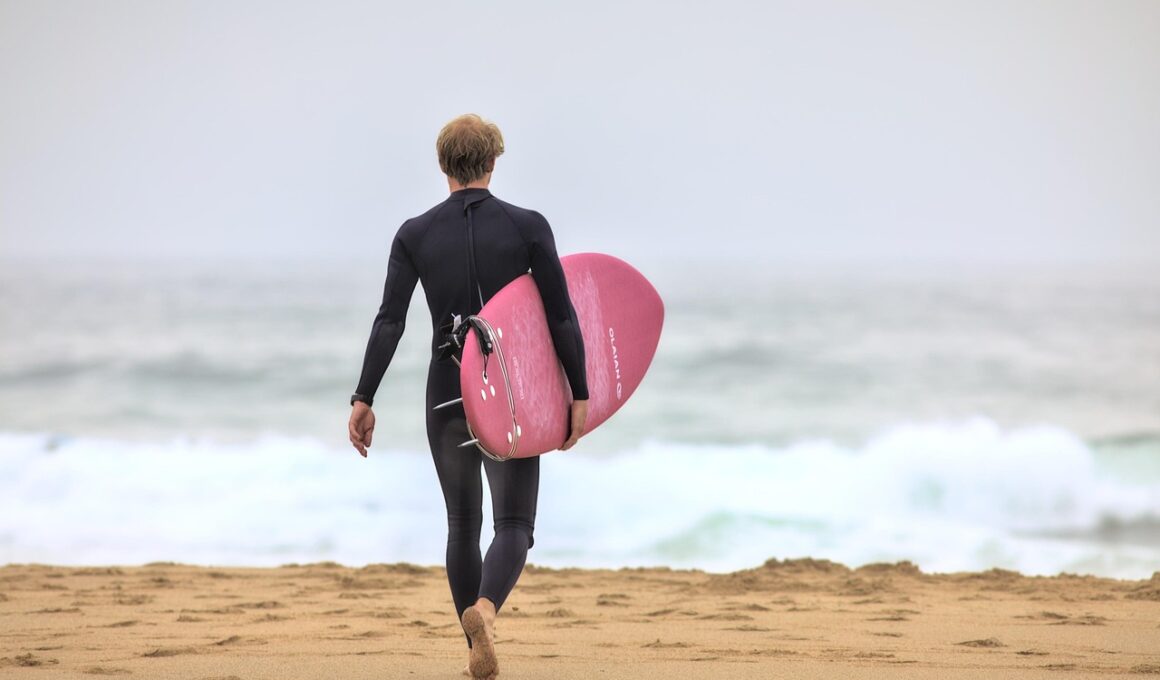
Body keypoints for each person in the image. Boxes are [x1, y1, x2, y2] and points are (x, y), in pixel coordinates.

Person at [347, 113, 589, 680]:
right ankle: (487, 611)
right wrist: (579, 391)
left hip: (447, 393)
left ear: (443, 165)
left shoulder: (415, 234)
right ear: (494, 161)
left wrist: (364, 395)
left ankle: (473, 648)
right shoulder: (528, 226)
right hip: (509, 394)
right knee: (514, 524)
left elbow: (390, 321)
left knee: (462, 523)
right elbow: (561, 315)